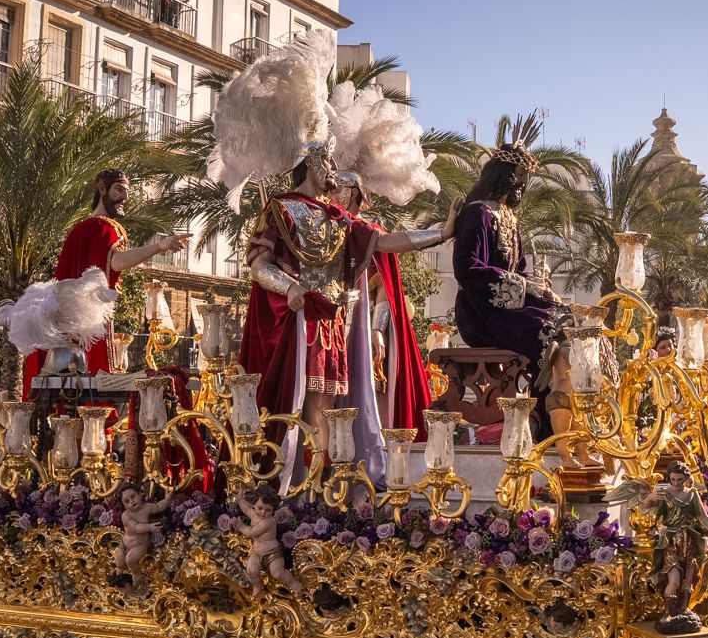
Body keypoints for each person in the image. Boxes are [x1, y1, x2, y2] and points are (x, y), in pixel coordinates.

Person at [241, 143, 450, 480]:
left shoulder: (338, 218)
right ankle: (304, 479)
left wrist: (441, 233)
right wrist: (290, 287)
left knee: (329, 407)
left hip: (334, 323)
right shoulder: (280, 208)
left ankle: (326, 479)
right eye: (328, 161)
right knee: (305, 402)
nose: (333, 169)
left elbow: (385, 242)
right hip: (299, 323)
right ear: (310, 163)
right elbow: (258, 266)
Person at [448, 124, 591, 465]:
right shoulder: (478, 214)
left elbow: (522, 269)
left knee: (572, 323)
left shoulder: (509, 218)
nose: (522, 188)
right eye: (519, 180)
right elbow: (467, 269)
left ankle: (564, 433)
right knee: (552, 332)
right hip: (482, 311)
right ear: (505, 178)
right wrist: (525, 288)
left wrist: (537, 291)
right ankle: (561, 443)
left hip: (510, 308)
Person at [22, 169, 189, 383]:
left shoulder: (79, 229)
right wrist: (160, 246)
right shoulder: (104, 228)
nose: (125, 198)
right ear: (102, 188)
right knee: (91, 390)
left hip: (66, 326)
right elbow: (116, 262)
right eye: (119, 190)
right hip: (87, 325)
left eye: (127, 192)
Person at [331, 172, 433, 439]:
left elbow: (385, 289)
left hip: (364, 322)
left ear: (352, 193)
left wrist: (378, 328)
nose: (331, 191)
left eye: (338, 187)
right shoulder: (325, 227)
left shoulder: (368, 231)